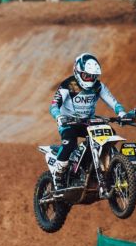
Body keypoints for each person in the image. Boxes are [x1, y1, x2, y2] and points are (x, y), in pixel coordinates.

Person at [50, 53, 126, 193]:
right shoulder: (68, 85)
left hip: (88, 122)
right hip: (69, 122)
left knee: (110, 134)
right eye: (87, 76)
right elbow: (54, 105)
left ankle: (103, 168)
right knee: (69, 143)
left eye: (93, 76)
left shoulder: (98, 86)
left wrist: (121, 113)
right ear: (78, 71)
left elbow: (113, 102)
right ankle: (58, 175)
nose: (90, 79)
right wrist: (59, 116)